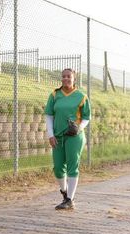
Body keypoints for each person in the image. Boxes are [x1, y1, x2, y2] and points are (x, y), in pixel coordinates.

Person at [45, 68, 90, 210]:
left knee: (72, 166)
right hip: (57, 136)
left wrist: (79, 128)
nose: (66, 79)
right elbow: (49, 116)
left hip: (74, 137)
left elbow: (86, 117)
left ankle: (70, 199)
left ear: (74, 79)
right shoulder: (54, 94)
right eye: (63, 76)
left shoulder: (81, 97)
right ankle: (64, 193)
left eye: (68, 76)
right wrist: (50, 134)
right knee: (58, 168)